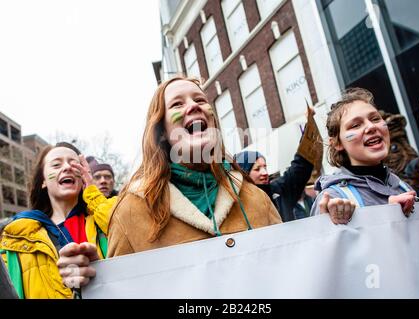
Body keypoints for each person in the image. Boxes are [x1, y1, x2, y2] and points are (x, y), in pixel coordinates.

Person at [57, 76, 282, 288]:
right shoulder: (130, 211)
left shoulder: (256, 199)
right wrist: (96, 277)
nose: (193, 106)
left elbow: (289, 266)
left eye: (200, 100)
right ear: (162, 132)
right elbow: (122, 290)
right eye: (176, 104)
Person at [0, 142, 111, 298]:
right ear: (43, 181)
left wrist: (93, 194)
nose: (67, 167)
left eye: (74, 164)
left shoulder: (105, 218)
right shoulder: (15, 238)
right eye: (56, 164)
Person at [309, 88, 417, 224]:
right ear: (337, 143)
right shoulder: (332, 200)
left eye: (375, 119)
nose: (371, 127)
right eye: (355, 125)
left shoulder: (403, 187)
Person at [234, 142, 314, 222]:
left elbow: (300, 169)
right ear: (245, 174)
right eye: (257, 169)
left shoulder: (278, 190)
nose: (265, 173)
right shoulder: (238, 206)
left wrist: (309, 140)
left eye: (265, 167)